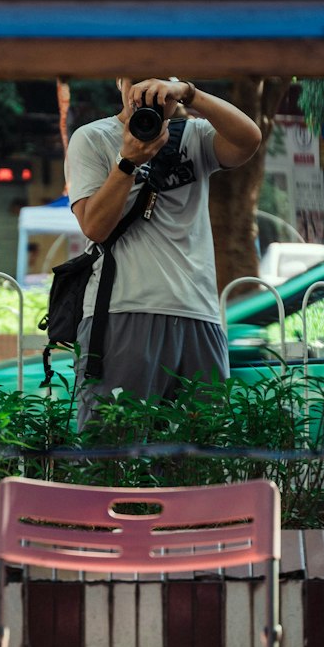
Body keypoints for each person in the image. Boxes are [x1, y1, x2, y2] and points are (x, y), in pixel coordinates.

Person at [67, 76, 261, 425]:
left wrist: (191, 94)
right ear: (119, 84)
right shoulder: (93, 138)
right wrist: (127, 161)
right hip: (123, 310)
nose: (149, 95)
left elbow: (249, 140)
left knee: (205, 452)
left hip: (198, 312)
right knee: (114, 451)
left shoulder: (195, 136)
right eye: (137, 84)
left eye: (159, 84)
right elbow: (94, 227)